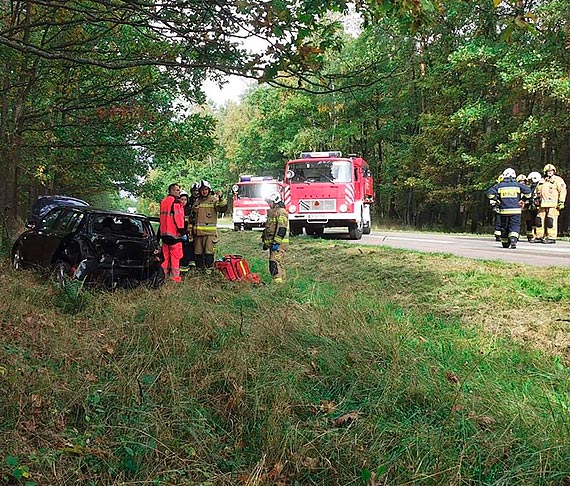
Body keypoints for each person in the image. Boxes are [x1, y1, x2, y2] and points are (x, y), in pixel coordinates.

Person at [487, 168, 531, 249]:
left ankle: (505, 242)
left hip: (503, 211)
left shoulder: (499, 185)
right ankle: (513, 240)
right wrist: (523, 199)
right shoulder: (518, 185)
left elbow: (490, 193)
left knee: (504, 226)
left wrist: (496, 201)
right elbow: (528, 192)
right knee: (514, 225)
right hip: (516, 211)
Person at [191, 180, 228, 272]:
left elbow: (222, 208)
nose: (204, 191)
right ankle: (199, 271)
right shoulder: (197, 201)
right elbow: (192, 217)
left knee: (209, 253)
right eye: (202, 190)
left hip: (209, 234)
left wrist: (221, 198)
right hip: (198, 234)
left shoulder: (214, 200)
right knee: (197, 254)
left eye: (206, 189)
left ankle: (209, 272)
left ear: (209, 190)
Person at [531, 164, 566, 244]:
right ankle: (539, 236)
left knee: (551, 221)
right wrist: (535, 200)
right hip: (542, 204)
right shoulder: (542, 180)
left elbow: (563, 191)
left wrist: (561, 201)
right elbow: (537, 191)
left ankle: (551, 237)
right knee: (539, 220)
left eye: (551, 171)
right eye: (548, 171)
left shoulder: (558, 180)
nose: (550, 172)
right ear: (545, 172)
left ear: (554, 171)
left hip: (553, 205)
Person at [159, 183, 186, 282]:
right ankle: (175, 278)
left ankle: (163, 276)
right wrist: (183, 233)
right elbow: (178, 219)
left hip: (164, 235)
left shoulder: (163, 202)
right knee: (175, 257)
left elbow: (162, 218)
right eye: (177, 190)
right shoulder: (176, 203)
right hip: (175, 235)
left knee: (165, 258)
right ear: (172, 191)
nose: (179, 192)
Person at [261, 192, 289, 283]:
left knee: (275, 263)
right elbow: (269, 229)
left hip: (279, 244)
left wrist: (276, 243)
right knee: (276, 263)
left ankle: (279, 286)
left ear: (275, 202)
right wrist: (266, 243)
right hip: (273, 244)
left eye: (270, 202)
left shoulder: (281, 212)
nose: (269, 204)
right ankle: (281, 284)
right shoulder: (273, 213)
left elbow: (281, 229)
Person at [178, 191, 194, 272]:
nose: (183, 201)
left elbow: (191, 221)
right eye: (182, 199)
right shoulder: (176, 209)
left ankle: (185, 267)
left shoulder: (189, 210)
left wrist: (189, 232)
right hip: (178, 234)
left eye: (185, 199)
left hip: (187, 233)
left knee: (187, 250)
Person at [523, 171, 542, 242]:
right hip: (532, 207)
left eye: (531, 180)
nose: (529, 182)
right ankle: (533, 235)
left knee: (538, 221)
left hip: (539, 207)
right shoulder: (531, 187)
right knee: (532, 222)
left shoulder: (540, 186)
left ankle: (539, 235)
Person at [493, 174, 504, 242]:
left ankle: (501, 234)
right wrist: (494, 205)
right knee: (499, 221)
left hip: (504, 206)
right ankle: (498, 235)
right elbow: (493, 197)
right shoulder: (497, 187)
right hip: (499, 206)